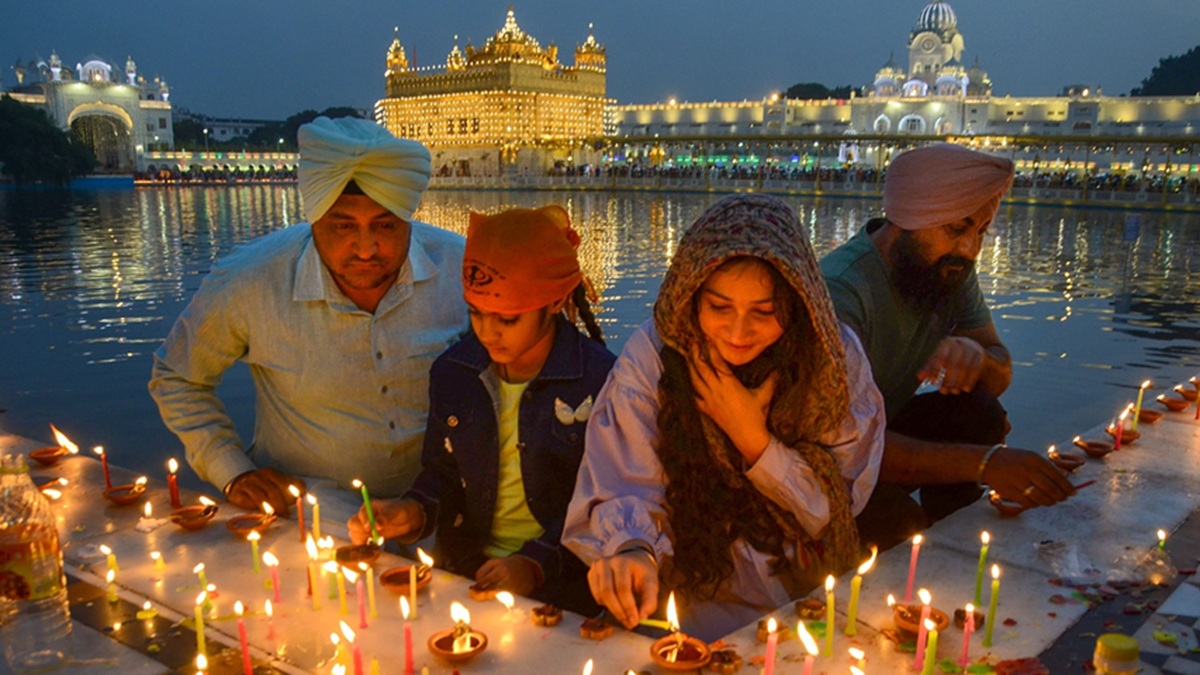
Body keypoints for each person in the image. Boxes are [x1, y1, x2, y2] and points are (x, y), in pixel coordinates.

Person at [562, 194, 885, 641]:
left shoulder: (831, 358)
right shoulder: (657, 352)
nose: (737, 333)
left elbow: (836, 507)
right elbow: (621, 475)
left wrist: (754, 441)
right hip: (688, 599)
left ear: (796, 302)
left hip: (799, 602)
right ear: (691, 294)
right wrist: (633, 549)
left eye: (764, 312)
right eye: (719, 308)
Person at [149, 116, 468, 520]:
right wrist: (233, 472)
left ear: (410, 218)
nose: (367, 249)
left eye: (385, 225)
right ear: (313, 220)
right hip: (307, 514)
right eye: (343, 226)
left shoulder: (461, 267)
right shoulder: (253, 280)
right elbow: (178, 376)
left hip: (439, 509)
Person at [348, 206, 614, 614]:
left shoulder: (601, 380)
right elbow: (442, 473)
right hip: (465, 572)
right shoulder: (454, 372)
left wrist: (533, 565)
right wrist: (413, 511)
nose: (487, 333)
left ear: (556, 301)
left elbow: (606, 500)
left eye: (507, 319)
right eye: (476, 313)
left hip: (566, 585)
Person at [820, 143, 1076, 549]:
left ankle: (961, 537)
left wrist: (977, 360)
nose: (971, 249)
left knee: (979, 411)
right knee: (896, 520)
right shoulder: (841, 293)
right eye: (957, 229)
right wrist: (986, 464)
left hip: (877, 435)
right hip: (823, 463)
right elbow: (845, 448)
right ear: (909, 218)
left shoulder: (947, 269)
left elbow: (1000, 368)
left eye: (981, 231)